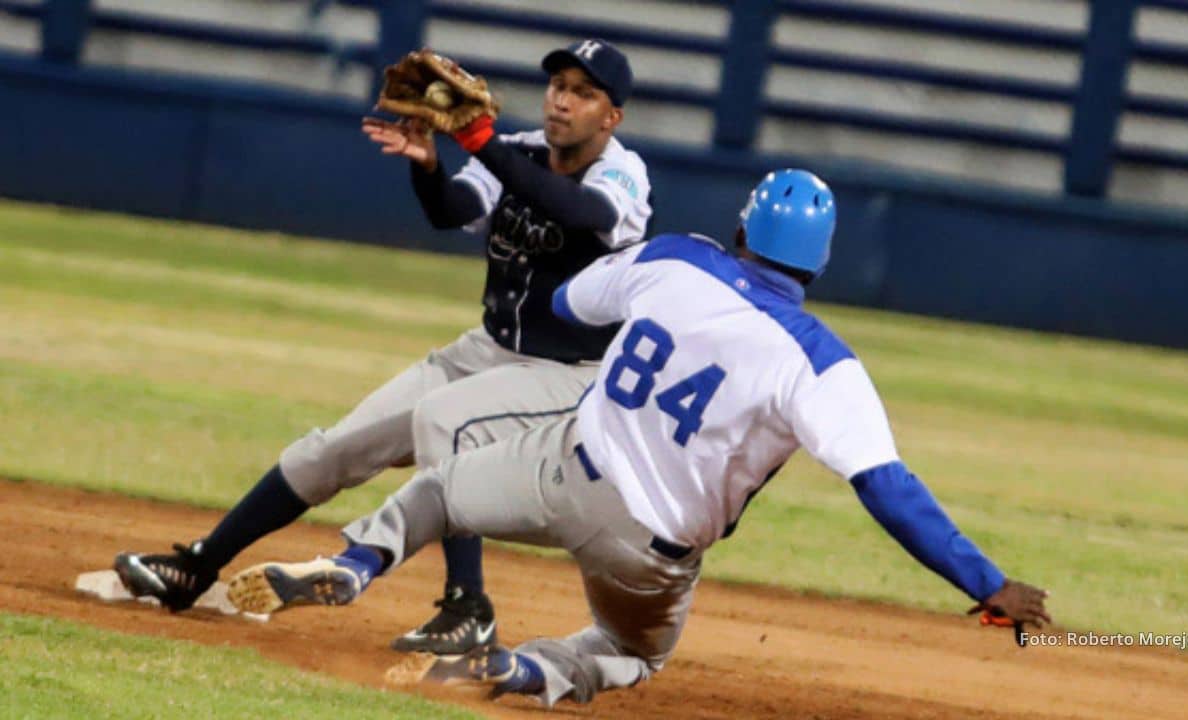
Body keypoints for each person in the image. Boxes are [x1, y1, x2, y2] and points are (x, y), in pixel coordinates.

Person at [221, 169, 1052, 707]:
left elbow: (564, 308)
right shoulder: (823, 364)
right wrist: (986, 582)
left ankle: (357, 561)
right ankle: (520, 671)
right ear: (821, 263)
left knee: (442, 486)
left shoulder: (678, 258)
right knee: (626, 650)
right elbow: (886, 488)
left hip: (560, 471)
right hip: (649, 554)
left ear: (740, 231)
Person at [112, 38, 653, 658]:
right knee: (331, 451)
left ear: (611, 117)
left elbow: (576, 208)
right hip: (487, 350)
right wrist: (427, 166)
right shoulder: (520, 150)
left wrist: (481, 143)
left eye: (584, 93)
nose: (562, 100)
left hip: (568, 374)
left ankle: (467, 607)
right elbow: (455, 210)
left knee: (446, 423)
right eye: (559, 85)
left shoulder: (621, 173)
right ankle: (197, 567)